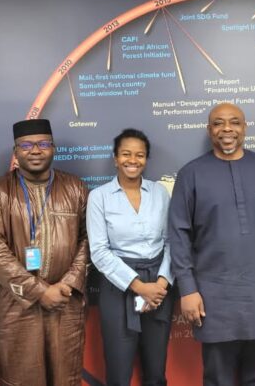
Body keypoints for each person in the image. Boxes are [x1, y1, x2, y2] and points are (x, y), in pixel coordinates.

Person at [169, 102, 255, 386]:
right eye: (219, 123)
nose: (227, 129)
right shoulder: (191, 174)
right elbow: (179, 233)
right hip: (212, 294)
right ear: (209, 130)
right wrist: (187, 289)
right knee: (218, 378)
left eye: (234, 122)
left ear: (244, 128)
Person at [0, 118, 89, 385]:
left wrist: (65, 285)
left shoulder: (74, 188)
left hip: (66, 301)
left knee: (66, 377)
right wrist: (40, 291)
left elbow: (89, 240)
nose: (36, 150)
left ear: (53, 148)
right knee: (22, 377)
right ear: (15, 152)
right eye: (27, 145)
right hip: (16, 304)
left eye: (43, 143)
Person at [88, 128, 174, 386]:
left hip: (159, 287)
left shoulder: (159, 192)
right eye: (126, 154)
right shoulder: (99, 197)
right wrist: (138, 286)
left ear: (146, 159)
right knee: (118, 368)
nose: (132, 160)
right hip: (119, 288)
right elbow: (99, 251)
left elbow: (171, 242)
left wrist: (161, 284)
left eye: (139, 155)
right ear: (115, 158)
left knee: (156, 369)